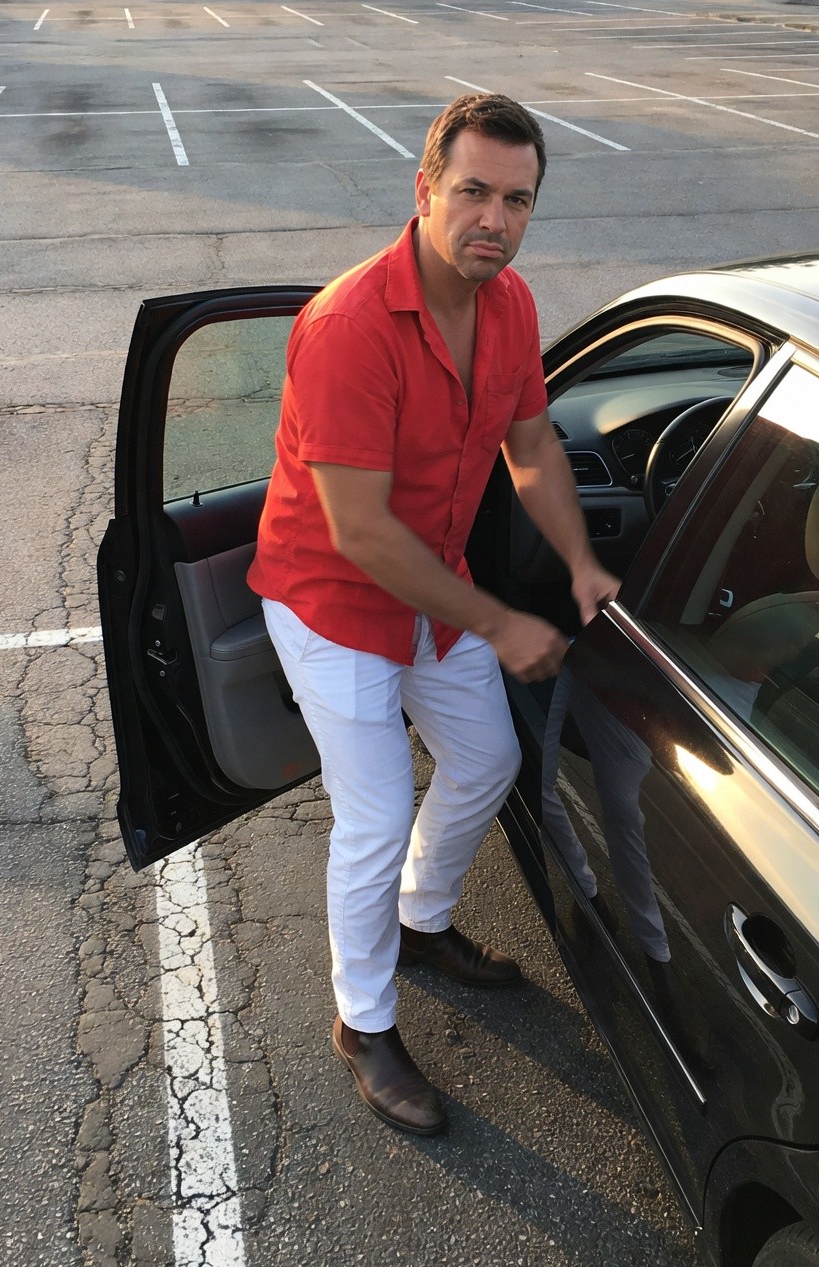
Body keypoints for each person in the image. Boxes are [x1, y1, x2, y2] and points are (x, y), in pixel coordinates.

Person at [247, 93, 619, 1135]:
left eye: (517, 199)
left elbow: (532, 448)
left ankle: (421, 920)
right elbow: (361, 534)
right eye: (472, 192)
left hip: (435, 589)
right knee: (369, 817)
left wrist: (582, 564)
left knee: (487, 760)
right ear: (424, 190)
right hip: (332, 602)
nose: (493, 218)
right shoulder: (351, 325)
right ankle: (363, 1024)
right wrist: (501, 623)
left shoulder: (510, 307)